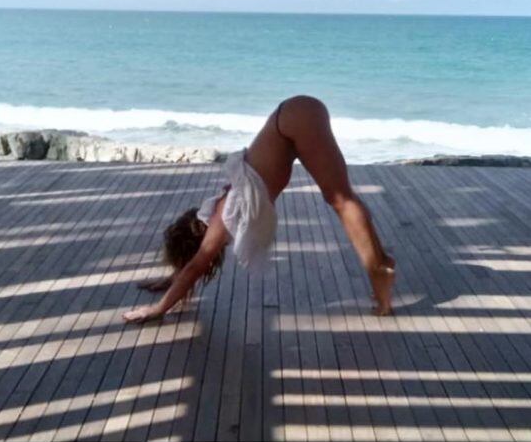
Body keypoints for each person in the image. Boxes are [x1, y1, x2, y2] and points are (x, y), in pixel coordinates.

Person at [122, 95, 395, 324]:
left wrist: (157, 309)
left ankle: (378, 268)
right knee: (338, 197)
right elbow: (191, 266)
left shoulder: (223, 216)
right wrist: (171, 281)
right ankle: (379, 262)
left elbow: (196, 265)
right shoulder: (218, 210)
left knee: (340, 199)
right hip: (294, 116)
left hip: (295, 119)